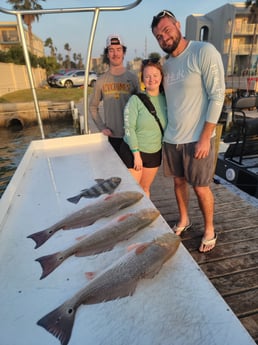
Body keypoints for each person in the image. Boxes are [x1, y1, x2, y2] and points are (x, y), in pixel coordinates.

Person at [151, 10, 225, 252]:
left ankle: (210, 228)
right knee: (178, 183)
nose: (164, 38)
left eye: (166, 30)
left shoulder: (203, 51)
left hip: (198, 139)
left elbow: (217, 95)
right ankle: (184, 219)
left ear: (177, 25)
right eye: (158, 36)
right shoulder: (167, 66)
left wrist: (206, 138)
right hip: (172, 138)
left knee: (201, 186)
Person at [120, 59, 167, 197]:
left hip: (154, 153)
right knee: (132, 193)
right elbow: (129, 128)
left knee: (145, 188)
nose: (151, 79)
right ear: (142, 80)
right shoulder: (135, 100)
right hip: (133, 152)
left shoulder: (167, 99)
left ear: (161, 77)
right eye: (147, 76)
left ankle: (143, 216)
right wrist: (136, 155)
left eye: (155, 75)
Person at [89, 34, 140, 157]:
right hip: (112, 138)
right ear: (107, 54)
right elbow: (92, 107)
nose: (115, 54)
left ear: (124, 52)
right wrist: (101, 127)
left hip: (132, 137)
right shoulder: (101, 80)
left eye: (118, 50)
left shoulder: (132, 78)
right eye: (111, 50)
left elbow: (141, 106)